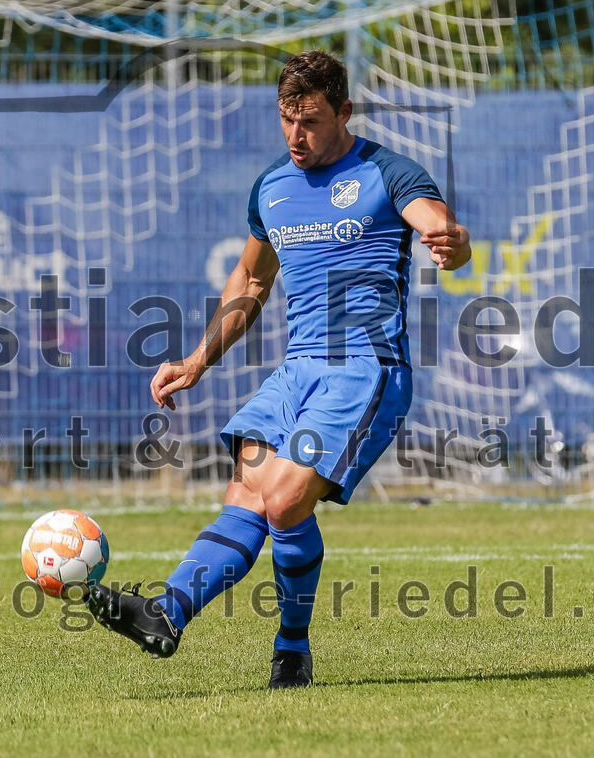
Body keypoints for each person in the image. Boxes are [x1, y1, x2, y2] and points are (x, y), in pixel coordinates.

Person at [87, 50, 472, 688]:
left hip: (364, 371)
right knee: (249, 492)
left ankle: (292, 648)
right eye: (287, 120)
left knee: (286, 497)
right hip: (297, 373)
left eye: (311, 121)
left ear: (344, 112)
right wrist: (197, 360)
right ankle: (167, 612)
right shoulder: (272, 187)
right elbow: (250, 280)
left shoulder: (387, 172)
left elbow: (439, 227)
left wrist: (452, 243)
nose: (297, 135)